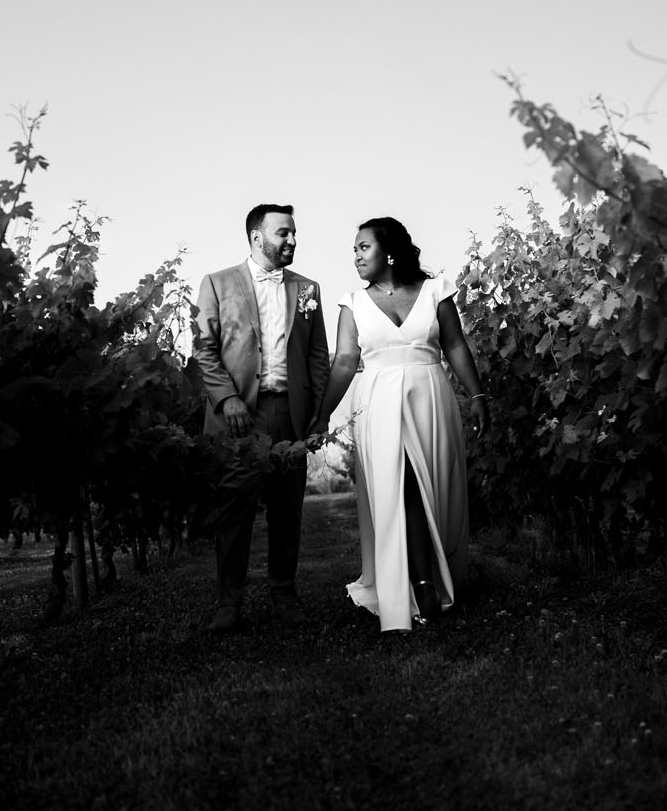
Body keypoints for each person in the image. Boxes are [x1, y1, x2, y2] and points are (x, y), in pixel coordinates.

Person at [312, 217, 488, 635]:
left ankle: (429, 573)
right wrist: (322, 416)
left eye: (362, 247)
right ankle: (420, 587)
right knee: (401, 487)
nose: (355, 256)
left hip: (429, 397)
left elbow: (455, 345)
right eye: (353, 250)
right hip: (377, 403)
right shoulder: (352, 303)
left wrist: (477, 395)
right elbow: (343, 363)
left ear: (388, 251)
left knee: (435, 491)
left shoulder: (435, 292)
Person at [194, 204, 330, 631]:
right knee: (234, 511)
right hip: (239, 417)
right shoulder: (216, 283)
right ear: (257, 237)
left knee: (288, 510)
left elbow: (317, 355)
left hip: (290, 413)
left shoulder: (308, 290)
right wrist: (227, 399)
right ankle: (228, 604)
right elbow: (204, 349)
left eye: (294, 234)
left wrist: (318, 413)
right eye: (284, 233)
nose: (292, 240)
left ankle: (283, 594)